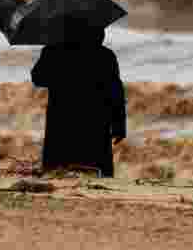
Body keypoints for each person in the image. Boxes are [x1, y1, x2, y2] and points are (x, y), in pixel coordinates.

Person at [30, 24, 126, 177]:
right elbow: (116, 93)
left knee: (57, 172)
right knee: (97, 172)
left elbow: (38, 78)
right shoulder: (105, 56)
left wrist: (49, 51)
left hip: (62, 121)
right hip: (95, 122)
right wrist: (119, 126)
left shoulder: (54, 51)